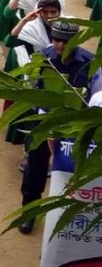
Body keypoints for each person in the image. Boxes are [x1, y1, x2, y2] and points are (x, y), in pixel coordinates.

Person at [18, 20, 94, 234]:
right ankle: (29, 213)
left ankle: (71, 215)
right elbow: (33, 90)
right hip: (44, 121)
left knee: (73, 169)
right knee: (35, 167)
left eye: (66, 42)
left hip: (75, 125)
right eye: (56, 40)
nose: (60, 46)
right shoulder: (43, 58)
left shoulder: (90, 62)